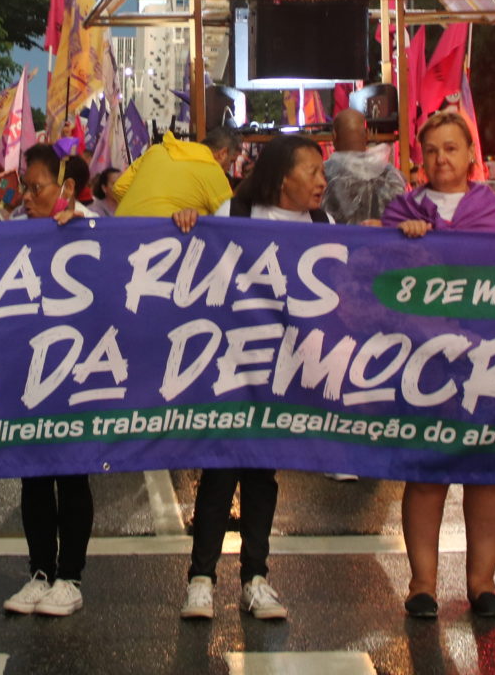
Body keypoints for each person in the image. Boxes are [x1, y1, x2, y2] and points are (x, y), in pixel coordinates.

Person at [380, 111, 495, 620]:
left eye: (451, 149)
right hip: (424, 359)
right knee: (426, 472)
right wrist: (402, 242)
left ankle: (482, 583)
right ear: (420, 157)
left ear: (470, 153)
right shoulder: (400, 211)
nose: (441, 159)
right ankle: (422, 584)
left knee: (485, 471)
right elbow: (379, 276)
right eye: (431, 150)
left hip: (486, 359)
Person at [173, 134, 327, 623]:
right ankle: (201, 580)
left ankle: (255, 578)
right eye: (312, 172)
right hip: (230, 368)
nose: (322, 182)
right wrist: (188, 224)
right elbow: (193, 264)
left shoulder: (325, 226)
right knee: (220, 471)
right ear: (284, 179)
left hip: (284, 373)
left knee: (263, 473)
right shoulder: (235, 215)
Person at [3, 143, 96, 620]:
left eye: (35, 187)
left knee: (72, 473)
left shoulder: (98, 231)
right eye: (24, 185)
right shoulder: (18, 233)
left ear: (67, 190)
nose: (25, 196)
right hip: (30, 374)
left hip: (79, 376)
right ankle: (40, 571)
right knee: (35, 475)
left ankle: (70, 577)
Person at [112, 126, 239, 218]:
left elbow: (119, 188)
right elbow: (232, 222)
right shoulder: (213, 172)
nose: (229, 168)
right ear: (223, 154)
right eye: (231, 161)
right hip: (160, 241)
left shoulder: (158, 150)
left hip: (120, 230)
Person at [322, 108, 406, 225]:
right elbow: (401, 218)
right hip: (381, 242)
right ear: (367, 134)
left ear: (334, 136)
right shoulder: (391, 175)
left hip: (337, 242)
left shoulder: (322, 174)